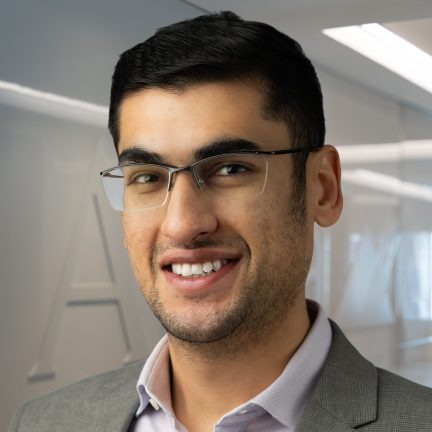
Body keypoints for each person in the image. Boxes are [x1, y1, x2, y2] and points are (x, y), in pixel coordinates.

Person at [9, 11, 432, 432]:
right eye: (148, 177)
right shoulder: (42, 423)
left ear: (322, 188)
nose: (181, 224)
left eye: (230, 169)